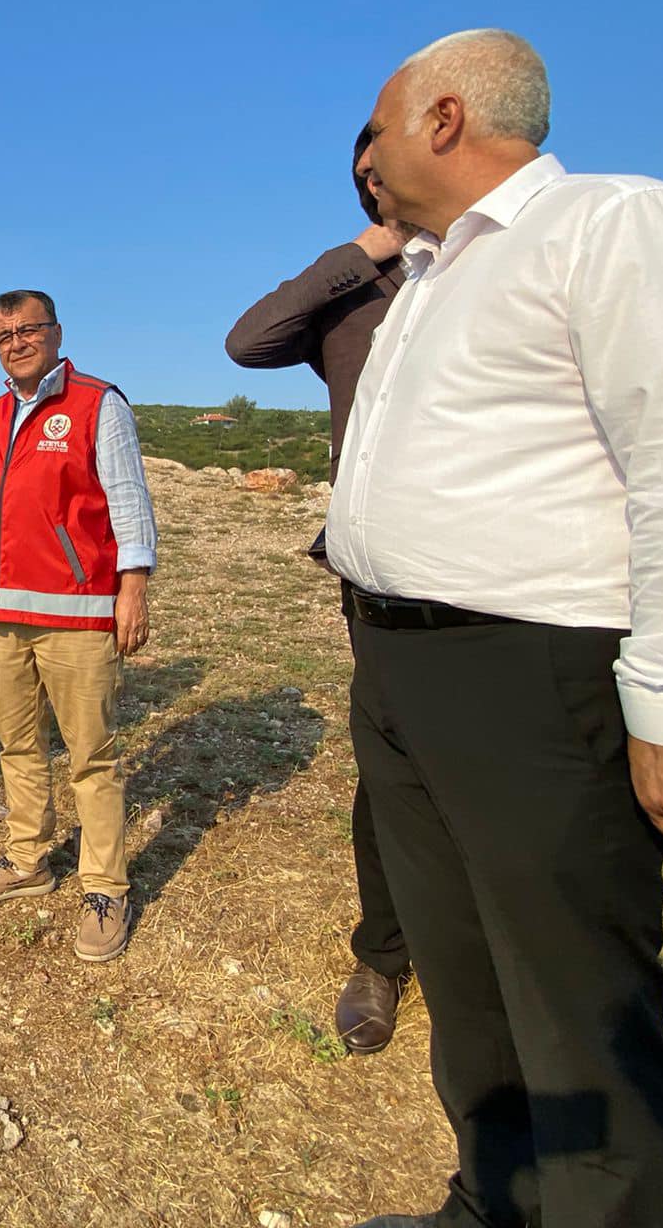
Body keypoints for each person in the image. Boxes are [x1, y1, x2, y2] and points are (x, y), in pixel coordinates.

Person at [331, 31, 663, 1228]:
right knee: (468, 980)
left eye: (370, 130)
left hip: (529, 678)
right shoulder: (431, 276)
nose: (362, 160)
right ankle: (488, 1201)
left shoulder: (614, 225)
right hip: (401, 670)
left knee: (573, 1001)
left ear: (437, 119)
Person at [225, 132, 417, 1053]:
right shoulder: (360, 297)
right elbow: (248, 339)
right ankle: (383, 953)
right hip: (376, 568)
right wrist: (367, 252)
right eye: (364, 171)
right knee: (389, 759)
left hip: (507, 570)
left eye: (394, 160)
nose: (379, 179)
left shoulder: (487, 271)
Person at [0, 292, 155, 963]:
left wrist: (134, 586)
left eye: (28, 329)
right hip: (1, 615)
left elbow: (128, 497)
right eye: (3, 335)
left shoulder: (99, 403)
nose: (16, 341)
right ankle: (26, 858)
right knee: (17, 746)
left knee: (91, 756)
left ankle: (104, 887)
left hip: (77, 614)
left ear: (56, 333)